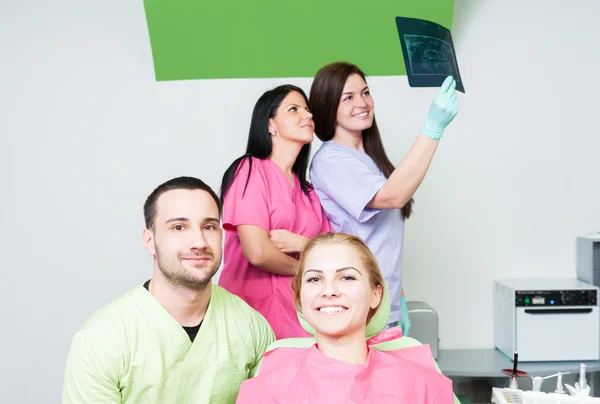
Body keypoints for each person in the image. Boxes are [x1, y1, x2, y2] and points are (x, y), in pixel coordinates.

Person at [62, 177, 275, 403]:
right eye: (179, 227)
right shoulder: (101, 339)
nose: (199, 242)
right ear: (149, 241)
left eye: (209, 226)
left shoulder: (252, 327)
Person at [308, 62, 460, 334]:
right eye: (348, 97)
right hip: (357, 301)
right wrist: (433, 128)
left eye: (365, 92)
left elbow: (383, 240)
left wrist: (398, 294)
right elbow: (393, 197)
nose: (362, 103)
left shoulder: (370, 159)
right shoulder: (330, 160)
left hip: (383, 298)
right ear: (327, 105)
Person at [236, 232, 454, 403]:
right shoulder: (267, 389)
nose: (329, 290)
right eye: (314, 279)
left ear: (376, 294)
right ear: (300, 296)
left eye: (347, 277)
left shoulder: (419, 383)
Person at [218, 85, 332, 339]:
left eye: (308, 110)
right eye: (294, 109)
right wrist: (310, 268)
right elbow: (258, 252)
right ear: (270, 124)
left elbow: (333, 254)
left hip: (303, 317)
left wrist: (303, 243)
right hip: (254, 316)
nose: (308, 115)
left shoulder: (309, 192)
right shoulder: (250, 170)